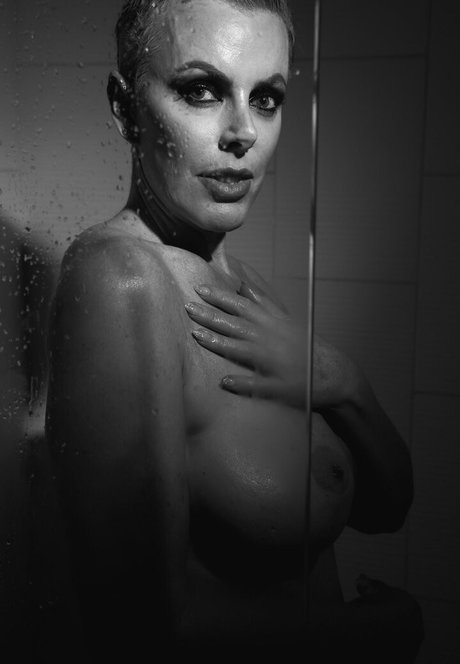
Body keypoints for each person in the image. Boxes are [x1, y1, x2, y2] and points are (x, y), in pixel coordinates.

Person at [45, 0, 423, 661]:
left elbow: (384, 509)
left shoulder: (246, 287)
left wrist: (343, 381)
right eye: (202, 90)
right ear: (125, 108)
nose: (243, 131)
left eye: (267, 98)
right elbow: (135, 637)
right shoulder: (121, 279)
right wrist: (375, 632)